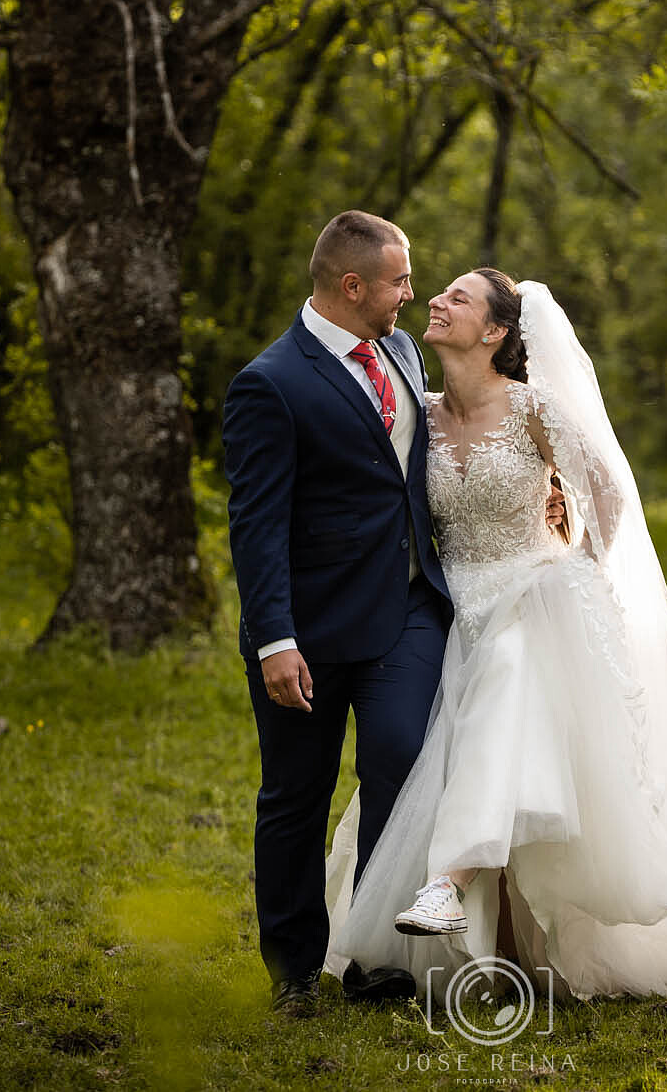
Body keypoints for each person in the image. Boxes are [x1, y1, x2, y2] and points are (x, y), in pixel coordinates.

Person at [322, 269, 667, 1002]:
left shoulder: (532, 407)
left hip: (532, 595)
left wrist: (574, 575)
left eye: (458, 298)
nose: (438, 300)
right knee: (464, 747)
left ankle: (446, 881)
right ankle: (504, 953)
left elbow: (609, 495)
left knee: (510, 671)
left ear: (495, 332)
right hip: (452, 608)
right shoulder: (419, 413)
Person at [222, 211, 454, 1017]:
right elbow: (255, 525)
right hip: (307, 631)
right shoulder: (270, 383)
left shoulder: (398, 347)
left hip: (405, 608)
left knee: (401, 756)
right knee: (297, 791)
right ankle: (293, 967)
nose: (411, 294)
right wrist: (276, 640)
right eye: (399, 280)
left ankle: (370, 954)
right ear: (352, 286)